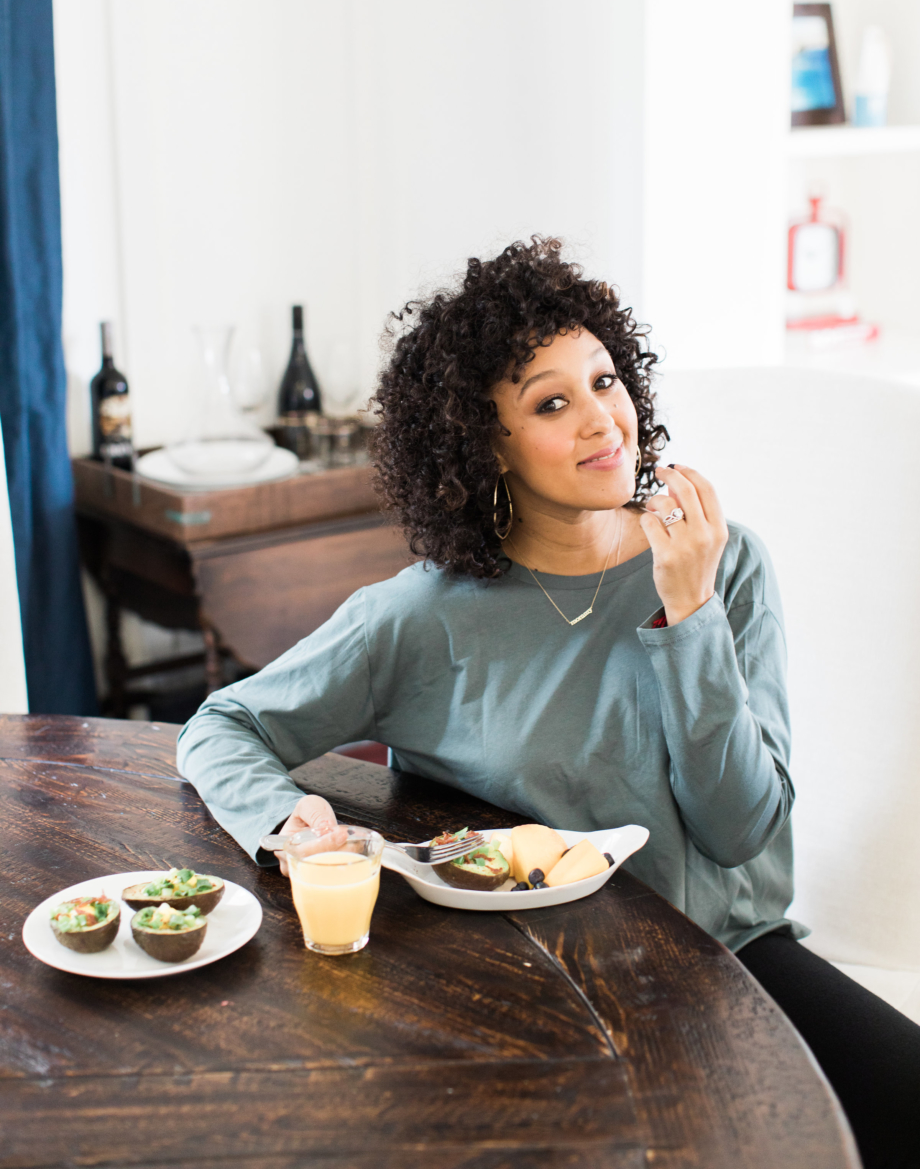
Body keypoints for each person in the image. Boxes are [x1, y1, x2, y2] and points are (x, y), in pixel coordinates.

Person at [177, 238, 920, 1168]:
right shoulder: (418, 618)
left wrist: (688, 613)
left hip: (728, 961)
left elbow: (740, 832)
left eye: (607, 382)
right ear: (485, 442)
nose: (603, 422)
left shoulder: (723, 566)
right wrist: (290, 822)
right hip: (523, 977)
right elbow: (225, 723)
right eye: (551, 403)